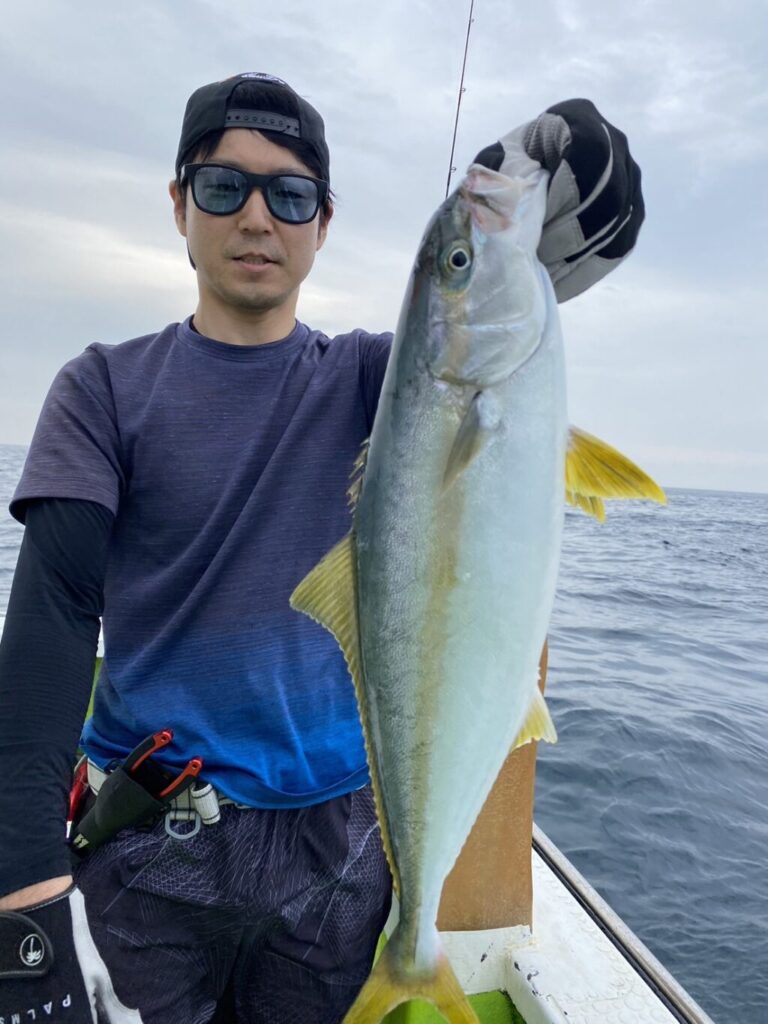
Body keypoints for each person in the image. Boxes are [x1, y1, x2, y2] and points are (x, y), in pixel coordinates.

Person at [0, 73, 644, 1023]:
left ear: (323, 223)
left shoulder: (380, 381)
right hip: (152, 842)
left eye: (291, 195)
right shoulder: (102, 389)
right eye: (225, 186)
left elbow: (468, 350)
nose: (257, 216)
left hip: (340, 850)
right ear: (180, 206)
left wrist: (574, 199)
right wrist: (25, 882)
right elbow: (54, 615)